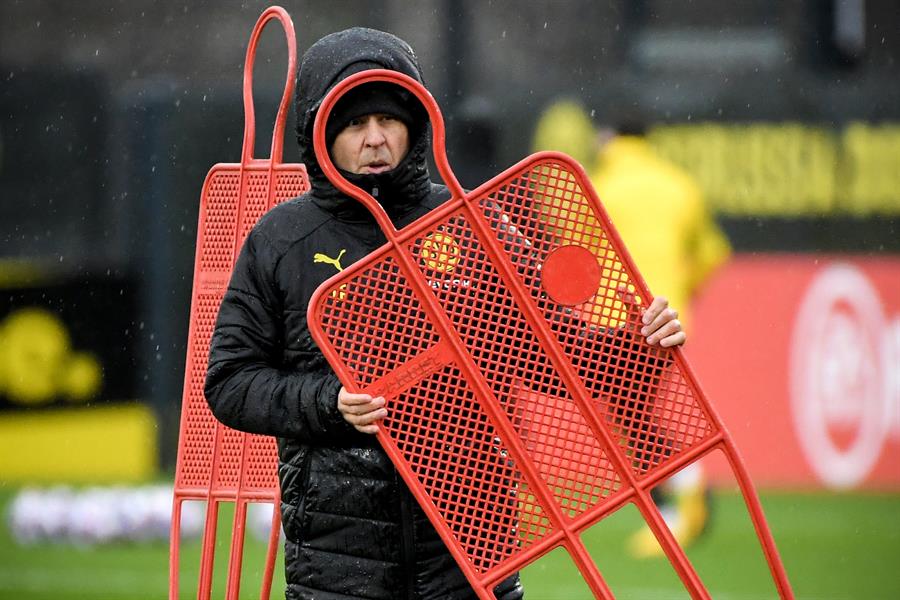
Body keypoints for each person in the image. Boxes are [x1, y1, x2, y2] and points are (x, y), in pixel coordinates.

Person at [205, 29, 687, 600]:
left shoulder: (472, 223)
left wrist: (643, 347)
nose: (376, 139)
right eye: (355, 124)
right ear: (321, 133)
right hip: (337, 573)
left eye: (389, 120)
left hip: (474, 557)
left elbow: (555, 356)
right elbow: (230, 382)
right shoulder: (280, 239)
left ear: (417, 123)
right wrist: (327, 403)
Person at [532, 100, 731, 558]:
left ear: (608, 138)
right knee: (633, 416)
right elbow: (712, 253)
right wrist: (681, 293)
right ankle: (675, 502)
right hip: (668, 318)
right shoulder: (680, 186)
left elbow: (572, 258)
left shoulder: (598, 187)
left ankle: (685, 497)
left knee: (632, 419)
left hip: (616, 323)